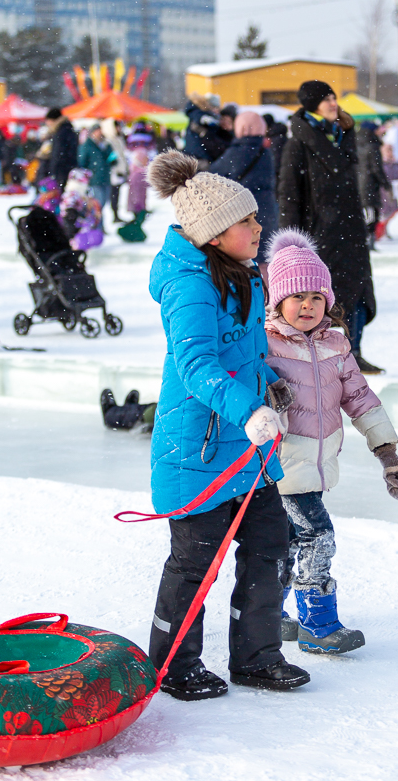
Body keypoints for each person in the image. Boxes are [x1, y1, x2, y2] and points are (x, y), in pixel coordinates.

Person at [145, 150, 310, 701]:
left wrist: (272, 385)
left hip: (248, 450)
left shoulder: (244, 275)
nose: (259, 227)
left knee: (270, 547)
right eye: (248, 221)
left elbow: (246, 352)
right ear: (215, 234)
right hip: (199, 448)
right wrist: (249, 409)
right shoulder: (189, 286)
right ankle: (171, 666)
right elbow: (199, 368)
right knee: (195, 566)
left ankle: (257, 656)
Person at [265, 229, 398, 654]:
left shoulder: (336, 343)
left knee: (285, 544)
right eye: (296, 297)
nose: (306, 306)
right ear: (277, 301)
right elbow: (244, 387)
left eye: (315, 297)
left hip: (317, 463)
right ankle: (318, 623)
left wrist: (387, 452)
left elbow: (360, 398)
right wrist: (267, 388)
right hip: (278, 465)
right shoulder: (264, 343)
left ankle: (268, 613)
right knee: (316, 536)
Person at [279, 80, 381, 374]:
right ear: (312, 105)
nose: (333, 103)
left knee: (358, 291)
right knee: (326, 296)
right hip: (320, 235)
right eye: (326, 99)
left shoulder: (342, 135)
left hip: (350, 231)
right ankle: (326, 357)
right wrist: (292, 245)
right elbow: (289, 198)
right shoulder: (297, 144)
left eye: (334, 97)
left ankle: (354, 351)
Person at [209, 109, 278, 264]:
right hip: (267, 209)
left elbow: (213, 174)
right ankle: (265, 287)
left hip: (244, 212)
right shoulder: (266, 152)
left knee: (244, 260)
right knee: (264, 258)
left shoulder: (237, 152)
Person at [356, 121, 390, 249]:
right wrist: (386, 184)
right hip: (369, 185)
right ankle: (367, 244)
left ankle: (366, 243)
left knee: (367, 215)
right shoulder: (372, 146)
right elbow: (377, 169)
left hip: (360, 185)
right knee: (371, 217)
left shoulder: (357, 144)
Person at [183, 92, 232, 167]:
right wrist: (202, 119)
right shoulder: (202, 116)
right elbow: (196, 114)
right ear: (209, 106)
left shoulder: (212, 120)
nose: (217, 111)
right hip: (199, 156)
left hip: (200, 155)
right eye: (214, 107)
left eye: (218, 108)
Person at [77, 123, 116, 212]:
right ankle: (97, 224)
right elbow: (82, 163)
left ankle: (99, 224)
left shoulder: (104, 145)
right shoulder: (87, 146)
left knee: (104, 202)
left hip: (105, 178)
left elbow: (111, 158)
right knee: (97, 204)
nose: (100, 133)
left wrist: (108, 148)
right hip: (94, 180)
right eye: (98, 131)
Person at [38, 108, 79, 189]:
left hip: (62, 170)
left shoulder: (60, 132)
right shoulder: (68, 129)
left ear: (53, 120)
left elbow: (58, 153)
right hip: (69, 167)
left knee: (59, 193)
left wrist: (53, 171)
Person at [102, 119, 129, 223]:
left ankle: (116, 214)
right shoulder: (109, 140)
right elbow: (112, 157)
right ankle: (114, 214)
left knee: (117, 194)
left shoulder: (119, 138)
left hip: (120, 170)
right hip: (114, 172)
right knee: (113, 194)